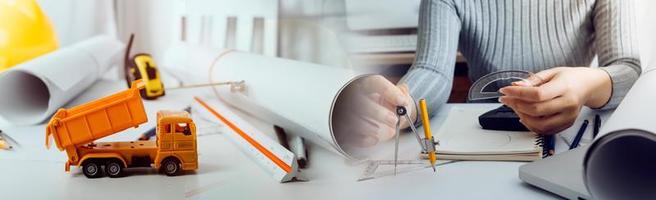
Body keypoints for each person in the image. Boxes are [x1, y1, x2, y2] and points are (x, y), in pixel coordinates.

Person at [341, 0, 641, 147]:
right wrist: (397, 105)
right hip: (481, 138)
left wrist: (586, 85)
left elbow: (628, 68)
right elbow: (431, 69)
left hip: (572, 135)